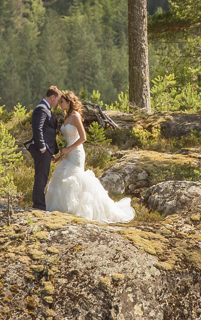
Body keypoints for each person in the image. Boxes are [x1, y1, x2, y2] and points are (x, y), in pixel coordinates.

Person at [45, 91, 134, 223]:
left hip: (76, 153)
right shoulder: (66, 117)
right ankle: (65, 209)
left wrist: (68, 148)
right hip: (69, 152)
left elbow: (83, 137)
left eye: (62, 102)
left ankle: (80, 209)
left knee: (75, 178)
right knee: (63, 176)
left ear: (69, 102)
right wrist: (59, 156)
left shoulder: (75, 116)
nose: (60, 104)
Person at [28, 85, 62, 209]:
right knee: (41, 177)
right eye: (58, 99)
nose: (58, 103)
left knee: (42, 176)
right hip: (41, 149)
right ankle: (38, 205)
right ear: (52, 97)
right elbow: (37, 128)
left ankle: (39, 204)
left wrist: (51, 151)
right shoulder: (41, 109)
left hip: (47, 149)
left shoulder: (46, 109)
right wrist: (42, 147)